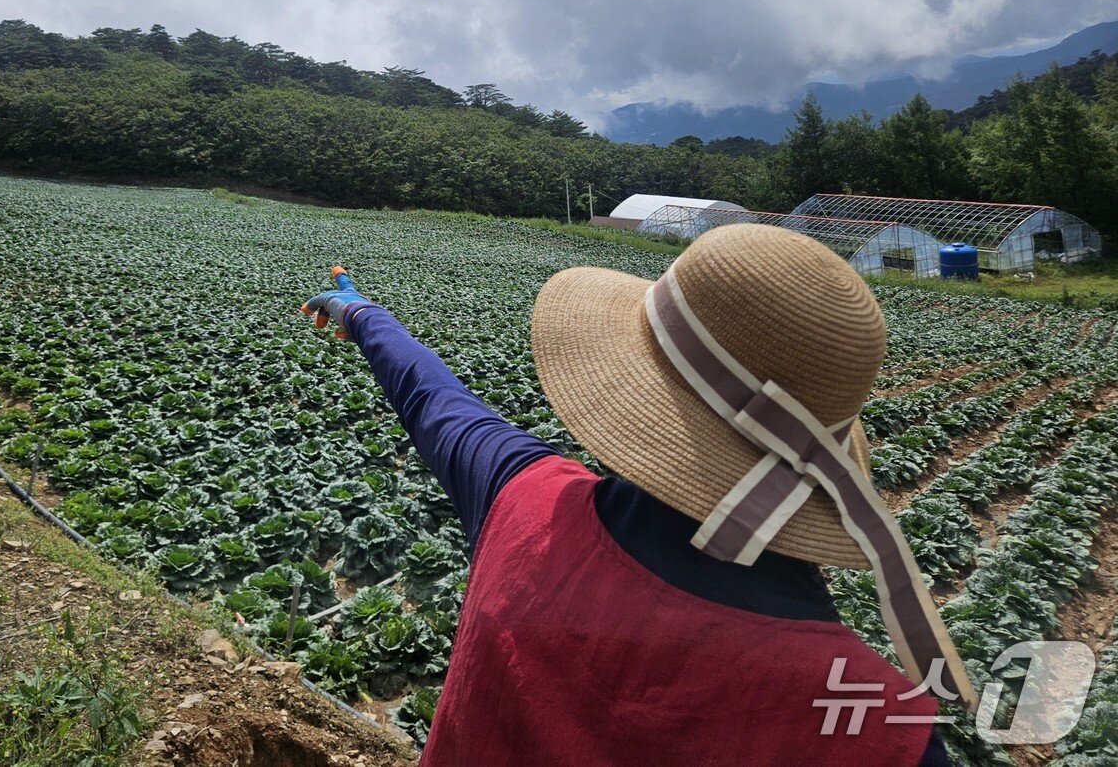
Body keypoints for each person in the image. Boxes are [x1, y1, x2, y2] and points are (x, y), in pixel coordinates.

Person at [302, 224, 974, 766]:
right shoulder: (884, 729)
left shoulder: (523, 502)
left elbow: (435, 400)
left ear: (637, 397)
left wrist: (361, 313)